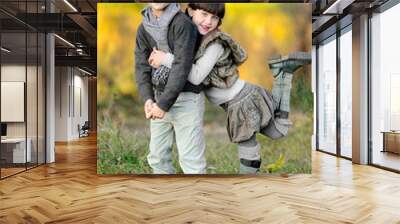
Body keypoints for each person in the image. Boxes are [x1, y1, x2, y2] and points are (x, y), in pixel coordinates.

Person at [148, 3, 299, 174]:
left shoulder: (215, 44)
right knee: (271, 132)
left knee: (273, 133)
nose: (208, 21)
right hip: (236, 99)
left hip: (241, 99)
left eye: (214, 17)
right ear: (190, 11)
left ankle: (283, 78)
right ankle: (282, 74)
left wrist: (166, 59)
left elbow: (196, 76)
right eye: (204, 14)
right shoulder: (192, 37)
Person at [135, 3, 206, 174]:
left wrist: (163, 105)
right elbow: (141, 65)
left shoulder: (183, 24)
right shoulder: (143, 27)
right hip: (159, 99)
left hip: (187, 99)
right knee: (157, 158)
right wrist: (148, 98)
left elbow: (182, 65)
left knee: (191, 161)